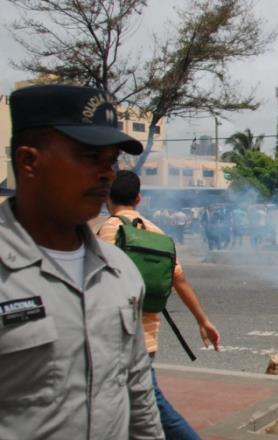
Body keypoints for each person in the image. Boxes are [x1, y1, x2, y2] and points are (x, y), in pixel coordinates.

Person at [0, 84, 162, 438]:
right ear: (29, 161)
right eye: (89, 157)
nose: (108, 174)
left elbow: (138, 393)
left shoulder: (121, 271)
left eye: (111, 160)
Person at [98, 170, 222, 440]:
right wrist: (203, 321)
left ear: (107, 196)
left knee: (154, 407)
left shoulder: (108, 229)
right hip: (148, 337)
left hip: (117, 337)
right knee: (132, 408)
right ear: (138, 198)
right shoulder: (157, 232)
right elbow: (180, 280)